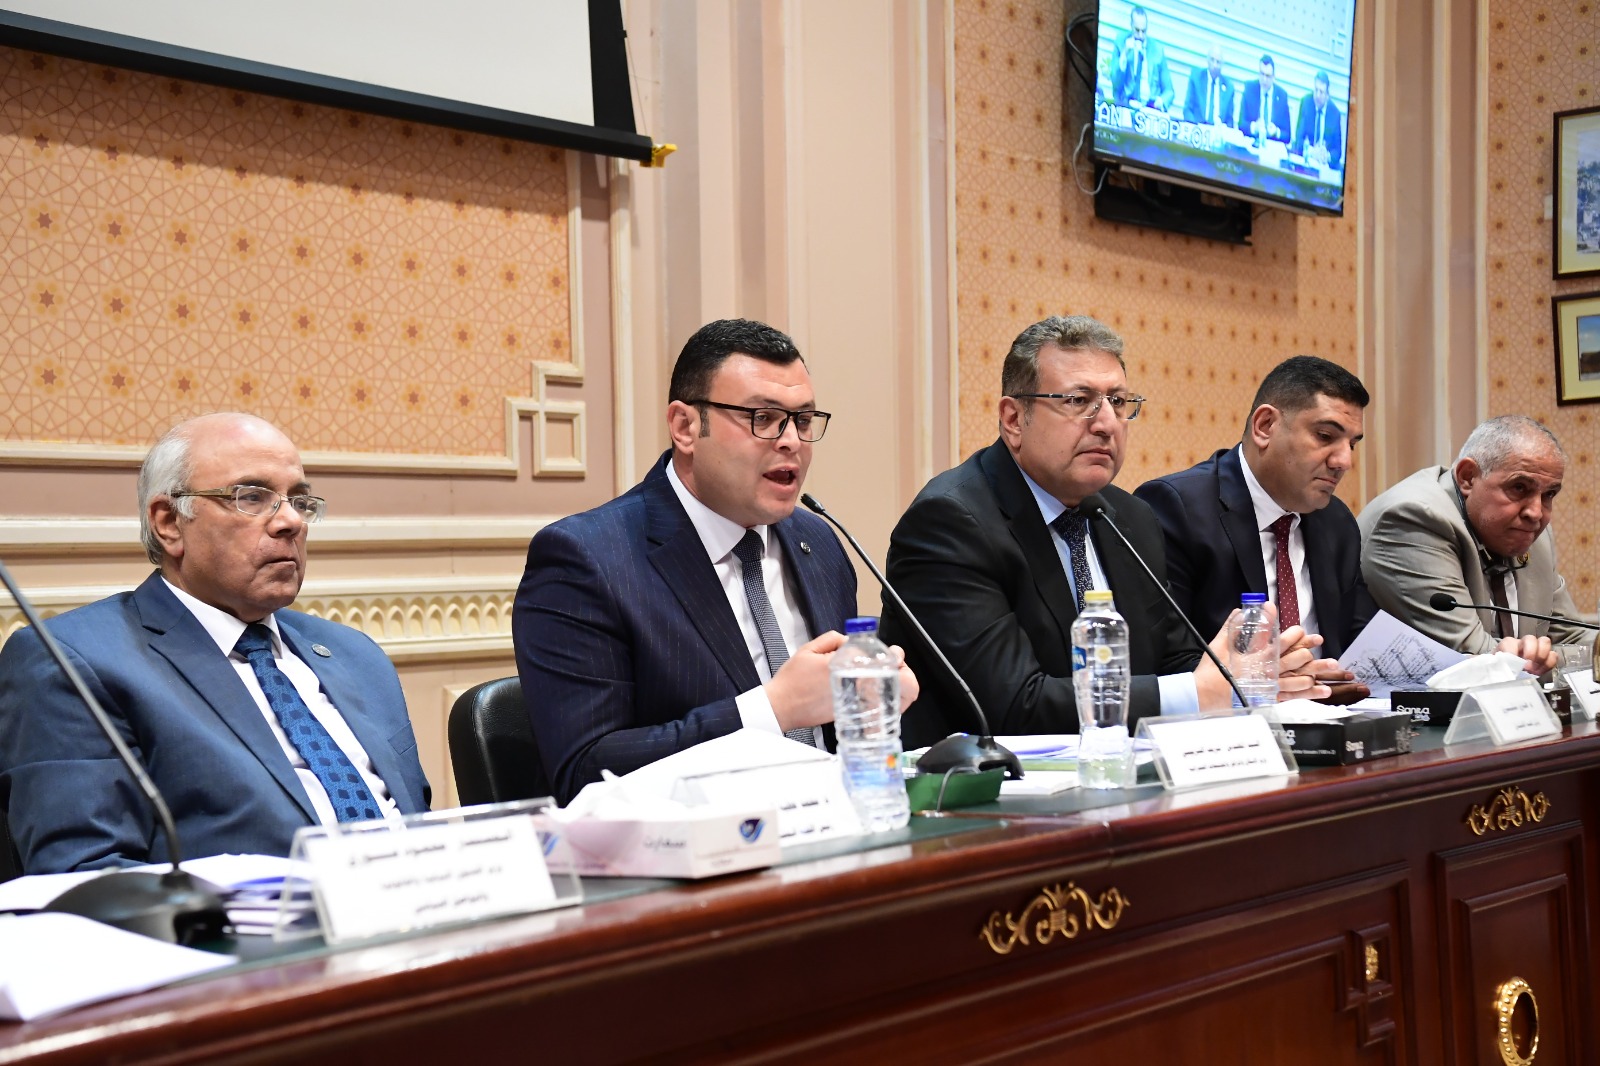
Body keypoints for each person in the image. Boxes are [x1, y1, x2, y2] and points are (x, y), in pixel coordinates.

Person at [0, 414, 431, 874]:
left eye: (299, 501)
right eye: (252, 497)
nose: (291, 521)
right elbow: (89, 877)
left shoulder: (355, 654)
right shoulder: (73, 662)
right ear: (169, 523)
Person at [513, 318, 918, 804]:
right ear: (685, 427)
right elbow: (584, 772)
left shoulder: (819, 544)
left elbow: (835, 736)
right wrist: (771, 710)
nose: (791, 440)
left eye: (803, 420)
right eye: (763, 417)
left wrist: (873, 702)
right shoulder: (587, 559)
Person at [882, 316, 1334, 747]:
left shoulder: (1128, 517)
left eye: (1117, 402)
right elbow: (1014, 706)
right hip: (985, 789)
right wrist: (1201, 691)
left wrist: (1249, 674)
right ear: (1014, 419)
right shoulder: (951, 522)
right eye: (1078, 401)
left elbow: (1172, 660)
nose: (1105, 424)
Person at [1135, 356, 1374, 685]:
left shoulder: (1337, 522)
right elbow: (1168, 659)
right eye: (1324, 436)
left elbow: (1361, 640)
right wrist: (1268, 679)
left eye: (1352, 445)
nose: (1344, 461)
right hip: (1233, 712)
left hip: (1329, 708)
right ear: (1265, 426)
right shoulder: (1178, 508)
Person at [1358, 415, 1588, 674]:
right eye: (1519, 488)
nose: (1536, 513)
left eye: (1549, 494)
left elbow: (1574, 637)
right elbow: (1478, 659)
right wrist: (1566, 660)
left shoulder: (1532, 533)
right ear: (1468, 477)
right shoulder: (1413, 519)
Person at [1111, 6, 1174, 111]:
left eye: (1144, 31)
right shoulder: (1121, 42)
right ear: (1131, 25)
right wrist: (1124, 54)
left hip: (1150, 107)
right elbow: (1115, 82)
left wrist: (1161, 101)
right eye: (1137, 30)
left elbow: (1169, 91)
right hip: (1126, 104)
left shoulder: (1157, 50)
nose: (1140, 35)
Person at [1291, 71, 1344, 170]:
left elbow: (1337, 152)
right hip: (1306, 160)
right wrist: (1312, 152)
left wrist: (1326, 156)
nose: (1318, 95)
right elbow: (1298, 139)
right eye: (1316, 90)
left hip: (1324, 165)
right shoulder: (1306, 103)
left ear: (1327, 95)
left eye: (1321, 92)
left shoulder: (1335, 114)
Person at [1237, 54, 1292, 145]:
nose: (1264, 79)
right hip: (1252, 143)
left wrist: (1276, 132)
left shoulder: (1282, 96)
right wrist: (1254, 127)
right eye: (1262, 74)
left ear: (1273, 77)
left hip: (1272, 146)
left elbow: (1287, 136)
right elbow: (1241, 124)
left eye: (1268, 76)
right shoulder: (1249, 89)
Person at [1182, 45, 1235, 126]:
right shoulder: (1196, 78)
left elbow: (1229, 120)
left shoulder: (1229, 87)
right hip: (1197, 127)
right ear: (1207, 60)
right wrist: (1195, 127)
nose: (1214, 65)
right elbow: (1187, 109)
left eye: (1218, 62)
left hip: (1217, 130)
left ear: (1222, 64)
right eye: (1212, 60)